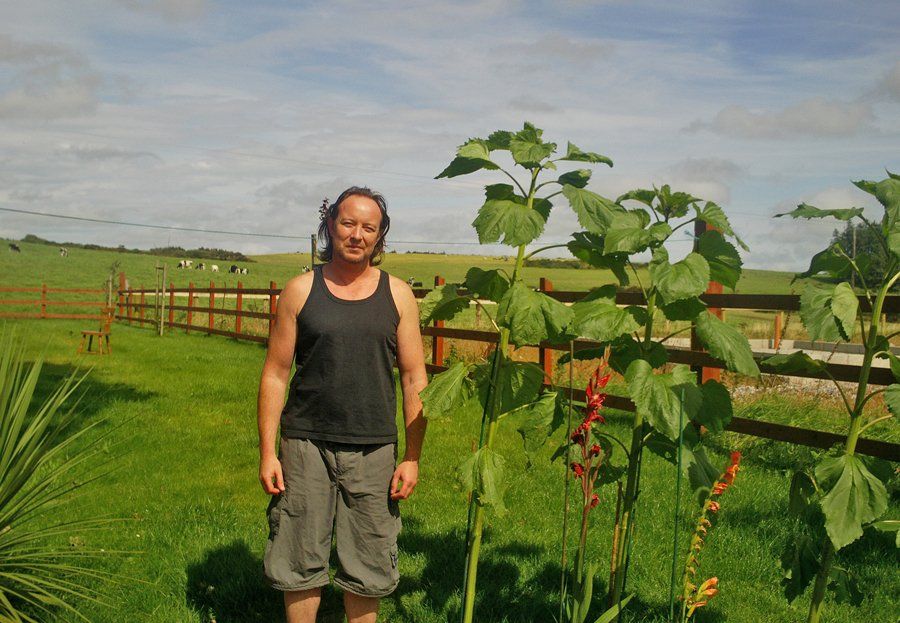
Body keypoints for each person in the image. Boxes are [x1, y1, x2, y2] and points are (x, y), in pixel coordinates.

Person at [257, 187, 427, 623]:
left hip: (375, 450)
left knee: (368, 564)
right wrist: (268, 451)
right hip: (305, 444)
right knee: (299, 560)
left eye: (368, 227)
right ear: (330, 225)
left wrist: (412, 457)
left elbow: (414, 378)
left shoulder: (399, 295)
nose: (356, 235)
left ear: (380, 236)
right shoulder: (300, 291)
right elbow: (276, 373)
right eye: (348, 223)